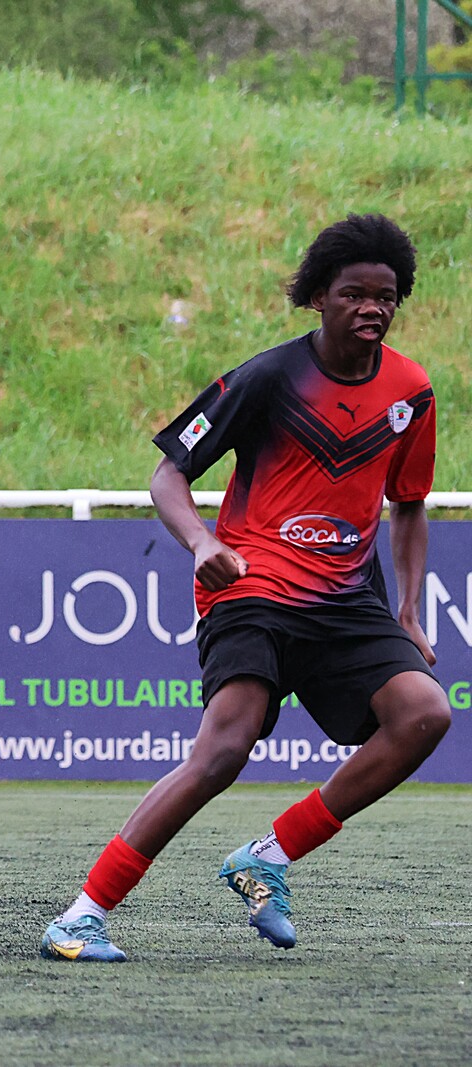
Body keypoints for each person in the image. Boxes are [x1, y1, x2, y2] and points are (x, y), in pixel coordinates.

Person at [41, 213, 450, 963]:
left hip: (344, 600)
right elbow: (168, 475)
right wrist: (203, 542)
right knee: (224, 750)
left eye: (386, 297)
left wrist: (409, 611)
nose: (372, 308)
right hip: (251, 587)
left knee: (424, 713)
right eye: (354, 294)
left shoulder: (411, 391)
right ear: (318, 297)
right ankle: (80, 916)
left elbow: (410, 505)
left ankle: (269, 855)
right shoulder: (268, 377)